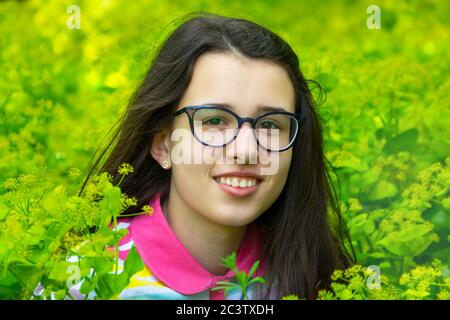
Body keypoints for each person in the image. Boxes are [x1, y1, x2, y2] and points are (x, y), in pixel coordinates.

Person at [72, 12, 355, 300]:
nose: (245, 152)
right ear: (162, 145)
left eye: (270, 124)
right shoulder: (86, 277)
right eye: (215, 121)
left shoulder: (314, 274)